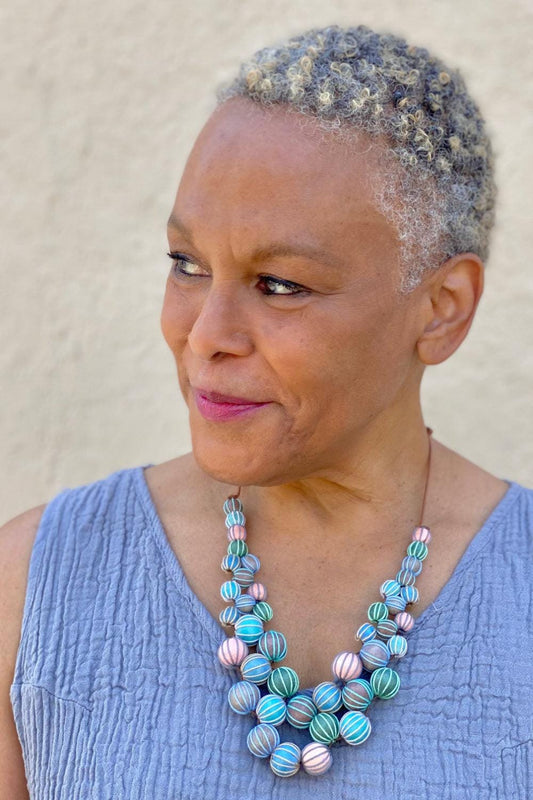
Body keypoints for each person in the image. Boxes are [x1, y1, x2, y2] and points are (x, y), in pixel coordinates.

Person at [1, 23, 531, 800]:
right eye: (187, 265)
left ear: (441, 308)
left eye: (279, 284)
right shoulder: (32, 591)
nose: (206, 337)